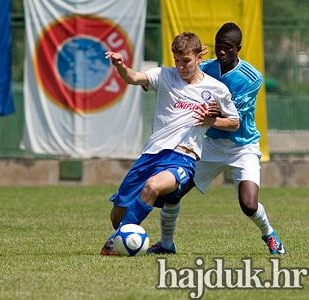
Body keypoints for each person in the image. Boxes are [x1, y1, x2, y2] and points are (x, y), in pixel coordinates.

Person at [148, 23, 285, 255]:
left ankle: (270, 234)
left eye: (228, 48)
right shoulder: (206, 69)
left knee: (249, 205)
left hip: (242, 146)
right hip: (209, 145)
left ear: (238, 48)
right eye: (218, 47)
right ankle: (166, 244)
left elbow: (233, 121)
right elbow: (184, 82)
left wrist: (212, 114)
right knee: (173, 193)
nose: (222, 52)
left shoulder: (252, 77)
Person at [100, 32, 240, 256]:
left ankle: (116, 243)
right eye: (177, 60)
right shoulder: (164, 75)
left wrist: (211, 120)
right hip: (152, 154)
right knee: (118, 216)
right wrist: (120, 66)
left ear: (198, 58)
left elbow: (234, 122)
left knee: (153, 187)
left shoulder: (216, 89)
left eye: (186, 61)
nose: (181, 66)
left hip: (184, 157)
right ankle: (130, 235)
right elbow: (134, 78)